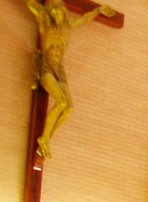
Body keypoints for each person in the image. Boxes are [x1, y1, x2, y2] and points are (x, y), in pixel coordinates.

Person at [27, 0, 117, 159]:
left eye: (58, 9)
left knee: (69, 108)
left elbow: (84, 19)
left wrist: (99, 11)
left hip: (59, 69)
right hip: (47, 66)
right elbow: (32, 5)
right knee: (62, 102)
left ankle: (46, 139)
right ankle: (44, 140)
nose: (56, 12)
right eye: (53, 10)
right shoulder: (47, 23)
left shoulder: (67, 26)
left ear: (63, 11)